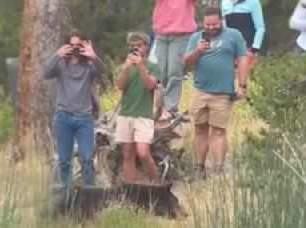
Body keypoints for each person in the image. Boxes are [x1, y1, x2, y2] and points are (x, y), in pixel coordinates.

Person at [183, 7, 248, 180]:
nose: (211, 28)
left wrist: (242, 86)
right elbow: (186, 62)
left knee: (218, 131)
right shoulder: (196, 37)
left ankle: (218, 168)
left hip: (223, 92)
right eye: (207, 25)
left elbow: (242, 59)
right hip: (200, 90)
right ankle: (199, 167)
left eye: (214, 24)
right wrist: (197, 50)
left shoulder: (233, 35)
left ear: (221, 20)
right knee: (200, 129)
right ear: (203, 23)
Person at [44, 30, 106, 187]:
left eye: (78, 46)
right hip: (64, 116)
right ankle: (66, 194)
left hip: (84, 117)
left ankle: (90, 194)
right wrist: (57, 55)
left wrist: (94, 56)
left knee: (86, 159)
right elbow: (46, 73)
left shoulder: (88, 67)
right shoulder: (61, 65)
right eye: (71, 46)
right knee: (64, 160)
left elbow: (102, 72)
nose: (75, 49)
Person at [115, 31, 160, 182]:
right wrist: (127, 68)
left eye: (139, 45)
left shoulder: (152, 67)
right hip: (126, 113)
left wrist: (140, 67)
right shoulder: (123, 67)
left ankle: (154, 182)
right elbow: (120, 86)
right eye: (132, 46)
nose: (135, 49)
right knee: (127, 153)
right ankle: (131, 186)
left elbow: (150, 85)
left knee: (143, 153)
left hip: (143, 115)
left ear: (146, 47)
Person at [152, 0, 197, 121]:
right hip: (161, 33)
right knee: (160, 73)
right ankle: (160, 107)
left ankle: (170, 107)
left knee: (174, 72)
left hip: (180, 33)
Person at [221, 0, 266, 65]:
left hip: (248, 50)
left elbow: (260, 27)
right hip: (231, 51)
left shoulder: (253, 2)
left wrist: (254, 49)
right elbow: (224, 28)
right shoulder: (225, 2)